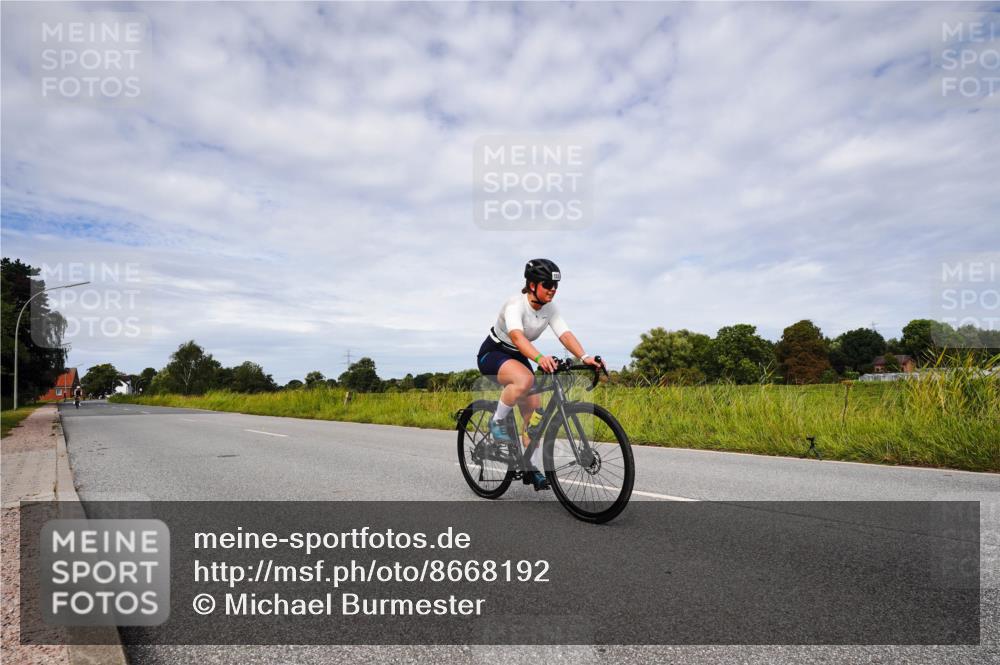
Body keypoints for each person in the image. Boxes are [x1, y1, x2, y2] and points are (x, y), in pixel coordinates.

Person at [476, 259, 606, 491]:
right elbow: (517, 337)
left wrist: (584, 356)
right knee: (524, 380)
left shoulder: (550, 308)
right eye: (547, 284)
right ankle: (496, 423)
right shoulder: (515, 305)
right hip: (494, 353)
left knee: (534, 415)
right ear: (532, 284)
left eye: (556, 286)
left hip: (518, 355)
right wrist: (539, 358)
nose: (553, 290)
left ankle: (530, 468)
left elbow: (565, 334)